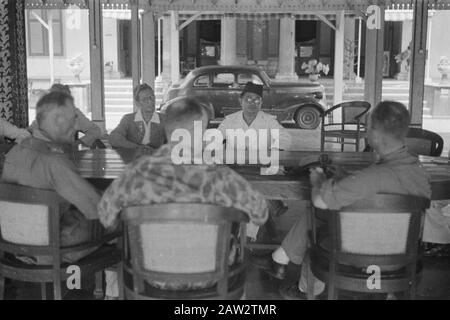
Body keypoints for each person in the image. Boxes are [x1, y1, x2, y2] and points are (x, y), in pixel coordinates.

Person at [254, 101, 431, 299]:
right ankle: (280, 260)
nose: (365, 132)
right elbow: (381, 184)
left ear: (375, 134)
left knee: (316, 220)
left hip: (359, 255)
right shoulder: (419, 174)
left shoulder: (371, 178)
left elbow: (321, 201)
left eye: (367, 127)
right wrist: (346, 178)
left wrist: (318, 181)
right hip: (403, 258)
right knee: (326, 216)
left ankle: (302, 288)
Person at [98, 97, 269, 298]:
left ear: (167, 129)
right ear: (201, 132)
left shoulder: (137, 173)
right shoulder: (221, 177)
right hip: (211, 280)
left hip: (151, 279)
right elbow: (260, 214)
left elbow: (105, 215)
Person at [2, 91, 102, 265]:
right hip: (50, 250)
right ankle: (119, 287)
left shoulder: (14, 153)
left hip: (14, 243)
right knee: (123, 218)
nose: (75, 127)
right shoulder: (55, 162)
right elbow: (95, 207)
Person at [218, 82, 292, 240]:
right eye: (248, 99)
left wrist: (273, 151)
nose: (252, 103)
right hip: (237, 168)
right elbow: (216, 139)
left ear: (261, 103)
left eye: (257, 100)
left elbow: (285, 138)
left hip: (260, 168)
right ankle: (272, 210)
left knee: (252, 189)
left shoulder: (268, 121)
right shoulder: (230, 121)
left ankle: (244, 238)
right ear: (241, 100)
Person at [28, 83, 103, 148]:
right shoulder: (46, 112)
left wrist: (80, 142)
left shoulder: (75, 113)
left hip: (66, 154)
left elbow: (95, 130)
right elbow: (30, 131)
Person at [108, 84, 165, 149]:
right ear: (137, 103)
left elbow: (174, 140)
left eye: (152, 97)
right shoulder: (128, 119)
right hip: (133, 157)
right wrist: (137, 147)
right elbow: (113, 138)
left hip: (157, 158)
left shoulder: (164, 119)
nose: (150, 101)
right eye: (145, 99)